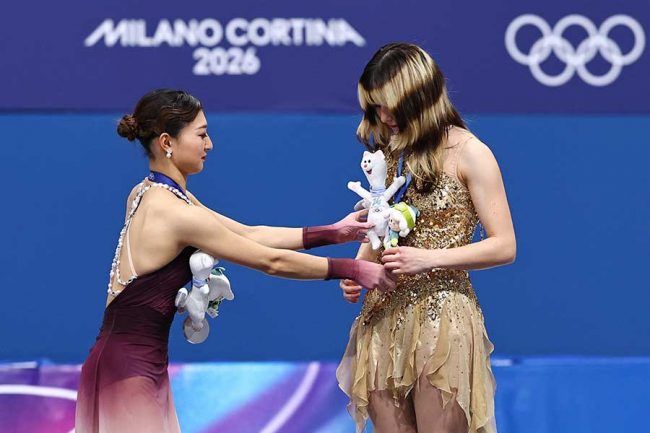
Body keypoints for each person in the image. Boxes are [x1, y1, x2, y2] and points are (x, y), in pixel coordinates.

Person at [74, 89, 396, 433]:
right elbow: (270, 261)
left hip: (124, 365)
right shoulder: (177, 214)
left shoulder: (148, 193)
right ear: (167, 142)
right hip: (129, 375)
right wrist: (353, 268)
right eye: (201, 134)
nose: (209, 144)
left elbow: (247, 233)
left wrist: (333, 232)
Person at [337, 43, 516, 433]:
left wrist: (429, 259)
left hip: (442, 319)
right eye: (375, 108)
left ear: (419, 96)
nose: (384, 117)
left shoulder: (471, 153)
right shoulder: (391, 153)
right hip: (383, 316)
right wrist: (359, 268)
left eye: (390, 106)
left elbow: (504, 245)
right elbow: (383, 220)